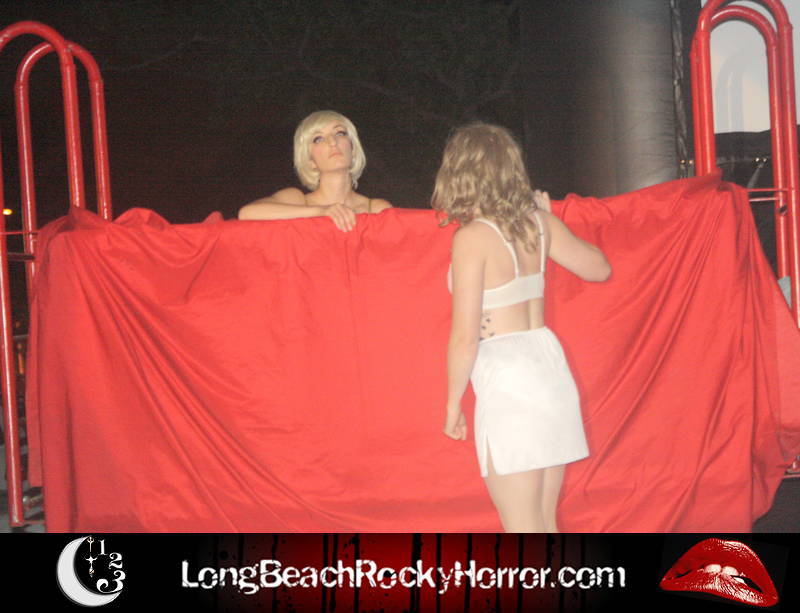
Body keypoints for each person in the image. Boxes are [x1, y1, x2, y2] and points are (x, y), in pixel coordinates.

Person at [432, 123, 611, 533]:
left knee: (522, 527)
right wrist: (550, 219)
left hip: (507, 376)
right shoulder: (540, 224)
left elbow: (464, 337)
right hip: (548, 365)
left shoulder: (472, 238)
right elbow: (600, 269)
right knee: (544, 522)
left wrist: (452, 404)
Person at [238, 110, 391, 229]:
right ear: (310, 160)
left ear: (353, 149)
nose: (332, 142)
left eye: (340, 133)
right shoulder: (297, 200)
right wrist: (321, 211)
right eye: (318, 139)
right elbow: (247, 213)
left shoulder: (376, 208)